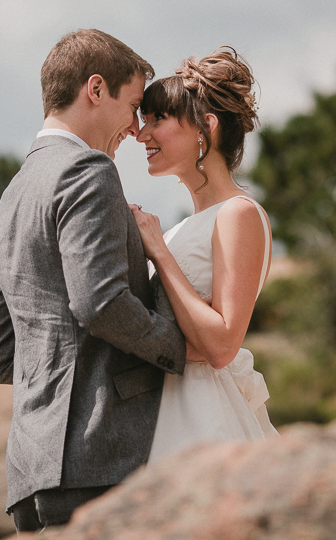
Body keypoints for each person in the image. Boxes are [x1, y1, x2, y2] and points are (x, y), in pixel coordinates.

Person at [0, 29, 193, 532]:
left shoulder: (11, 196)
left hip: (31, 469)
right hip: (100, 455)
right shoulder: (88, 170)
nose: (137, 126)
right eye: (134, 105)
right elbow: (98, 304)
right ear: (95, 90)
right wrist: (177, 347)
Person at [130, 47, 279, 463]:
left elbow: (222, 344)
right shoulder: (184, 226)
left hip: (203, 417)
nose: (143, 135)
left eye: (158, 119)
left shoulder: (239, 213)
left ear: (205, 129)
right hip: (161, 407)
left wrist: (158, 251)